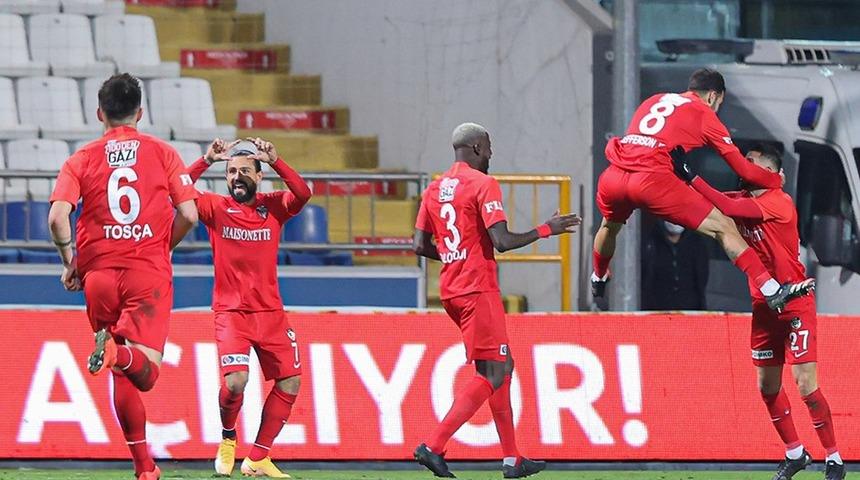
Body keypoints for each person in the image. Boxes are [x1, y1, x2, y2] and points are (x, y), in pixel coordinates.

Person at [47, 73, 198, 480]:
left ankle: (144, 468)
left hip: (98, 276)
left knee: (120, 369)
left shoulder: (80, 159)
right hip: (146, 272)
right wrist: (163, 244)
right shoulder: (163, 153)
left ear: (99, 113)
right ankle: (117, 353)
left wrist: (68, 261)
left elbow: (58, 216)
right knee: (142, 371)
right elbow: (190, 214)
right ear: (141, 113)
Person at [412, 123, 581, 479]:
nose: (491, 154)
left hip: (451, 290)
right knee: (495, 371)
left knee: (501, 366)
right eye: (488, 148)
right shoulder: (482, 183)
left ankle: (512, 458)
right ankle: (434, 444)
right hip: (477, 288)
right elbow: (501, 241)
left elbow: (419, 245)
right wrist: (546, 229)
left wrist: (455, 254)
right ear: (475, 148)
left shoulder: (434, 188)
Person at [672, 145, 843, 480]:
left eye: (750, 163)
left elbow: (726, 205)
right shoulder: (744, 196)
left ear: (768, 172)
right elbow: (711, 202)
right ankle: (795, 453)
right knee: (767, 387)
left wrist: (692, 175)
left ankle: (834, 458)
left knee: (805, 385)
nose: (742, 166)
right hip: (764, 306)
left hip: (794, 302)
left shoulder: (779, 202)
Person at [591, 68, 814, 312]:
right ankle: (772, 290)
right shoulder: (704, 114)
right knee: (724, 226)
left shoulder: (654, 100)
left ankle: (598, 276)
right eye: (719, 103)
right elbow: (745, 171)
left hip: (614, 175)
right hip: (651, 180)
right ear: (712, 96)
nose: (717, 109)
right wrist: (773, 181)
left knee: (608, 227)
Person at [181, 137, 312, 478]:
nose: (237, 177)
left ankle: (257, 457)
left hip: (271, 314)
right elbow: (175, 189)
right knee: (237, 382)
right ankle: (228, 437)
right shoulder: (215, 208)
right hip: (232, 315)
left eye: (244, 171)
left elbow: (303, 194)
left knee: (291, 382)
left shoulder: (274, 206)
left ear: (259, 175)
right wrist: (205, 160)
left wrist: (276, 160)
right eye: (231, 172)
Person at [641, 220, 709, 310]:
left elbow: (702, 275)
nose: (674, 222)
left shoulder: (696, 243)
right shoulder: (652, 242)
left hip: (690, 309)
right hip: (659, 309)